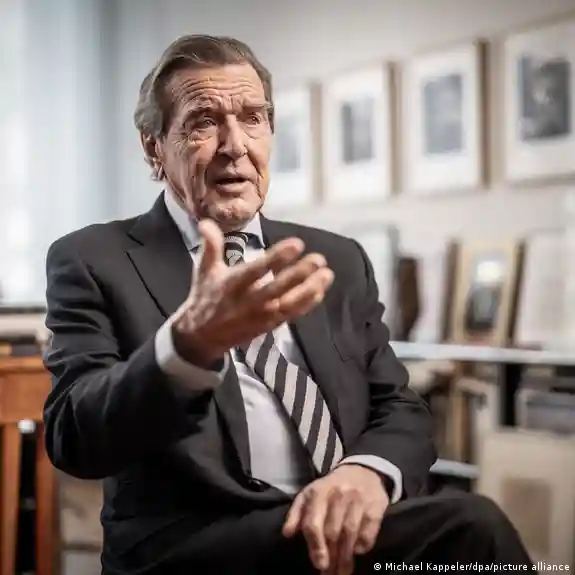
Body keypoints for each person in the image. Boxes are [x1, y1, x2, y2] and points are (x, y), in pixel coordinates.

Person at [43, 35, 533, 575]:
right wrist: (188, 346)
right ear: (153, 147)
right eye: (204, 122)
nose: (235, 145)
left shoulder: (336, 258)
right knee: (473, 529)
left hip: (334, 524)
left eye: (253, 118)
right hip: (196, 545)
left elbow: (398, 406)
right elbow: (74, 436)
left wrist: (367, 473)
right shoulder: (94, 259)